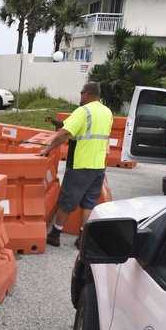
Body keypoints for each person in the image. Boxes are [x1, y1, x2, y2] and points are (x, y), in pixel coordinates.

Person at [38, 82, 114, 247]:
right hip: (98, 165)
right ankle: (82, 238)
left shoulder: (83, 111)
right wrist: (55, 122)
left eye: (81, 93)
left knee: (67, 201)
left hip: (80, 164)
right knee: (88, 203)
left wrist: (47, 150)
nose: (80, 97)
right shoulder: (107, 112)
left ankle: (56, 234)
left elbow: (64, 134)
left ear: (86, 94)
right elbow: (72, 127)